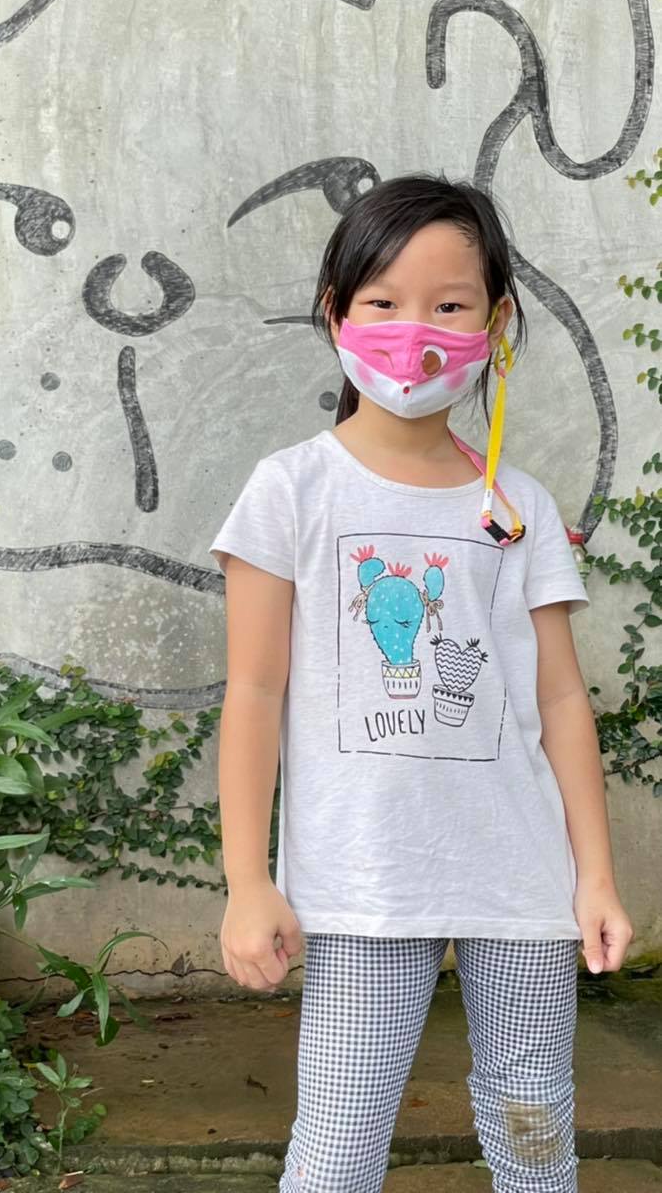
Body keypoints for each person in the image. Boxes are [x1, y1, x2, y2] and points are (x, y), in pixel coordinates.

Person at [210, 174, 633, 1193]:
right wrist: (247, 882)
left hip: (520, 885)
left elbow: (561, 702)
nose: (417, 332)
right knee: (338, 1145)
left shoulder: (517, 507)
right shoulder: (291, 489)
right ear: (336, 314)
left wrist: (595, 877)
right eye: (384, 302)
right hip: (363, 887)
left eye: (449, 305)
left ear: (497, 323)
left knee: (536, 1137)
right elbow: (254, 694)